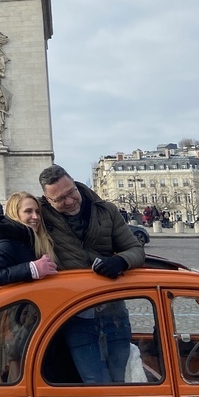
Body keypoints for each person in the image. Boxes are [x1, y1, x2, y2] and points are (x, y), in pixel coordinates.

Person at [38, 164, 145, 383]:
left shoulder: (106, 210)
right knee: (95, 380)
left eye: (71, 193)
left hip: (113, 310)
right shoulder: (39, 215)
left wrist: (120, 261)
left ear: (75, 182)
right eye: (59, 200)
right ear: (47, 199)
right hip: (75, 313)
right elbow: (1, 240)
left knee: (122, 377)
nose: (68, 201)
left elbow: (135, 249)